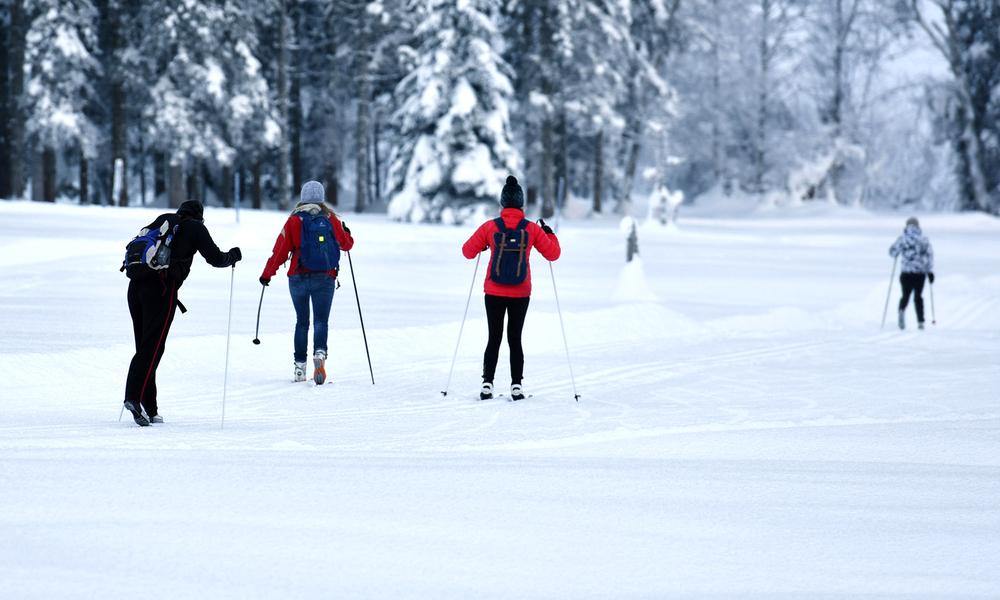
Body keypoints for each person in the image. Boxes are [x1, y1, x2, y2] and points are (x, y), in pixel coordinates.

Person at [123, 200, 241, 426]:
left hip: (135, 287)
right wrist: (233, 256)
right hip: (161, 288)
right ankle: (133, 397)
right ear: (199, 216)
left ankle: (151, 408)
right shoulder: (195, 227)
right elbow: (216, 259)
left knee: (145, 346)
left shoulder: (162, 223)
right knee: (153, 347)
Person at [461, 175, 561, 400]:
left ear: (502, 203)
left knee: (493, 337)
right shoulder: (531, 230)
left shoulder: (490, 227)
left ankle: (487, 384)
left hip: (493, 291)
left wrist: (486, 246)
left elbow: (467, 251)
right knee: (515, 338)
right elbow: (553, 254)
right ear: (522, 203)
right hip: (521, 292)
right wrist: (549, 233)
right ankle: (517, 385)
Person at [260, 180, 354, 384]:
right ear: (321, 198)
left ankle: (299, 368)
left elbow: (280, 250)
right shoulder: (330, 219)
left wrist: (267, 274)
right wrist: (345, 232)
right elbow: (347, 245)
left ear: (302, 198)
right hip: (325, 277)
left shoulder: (294, 221)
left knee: (302, 322)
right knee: (321, 321)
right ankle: (319, 354)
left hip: (298, 277)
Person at [889, 216, 935, 330]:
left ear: (907, 226)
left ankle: (901, 311)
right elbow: (929, 256)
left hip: (906, 273)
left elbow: (893, 252)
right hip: (919, 273)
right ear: (918, 226)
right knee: (918, 297)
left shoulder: (903, 239)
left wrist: (895, 252)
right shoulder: (923, 239)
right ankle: (920, 322)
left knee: (905, 295)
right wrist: (930, 272)